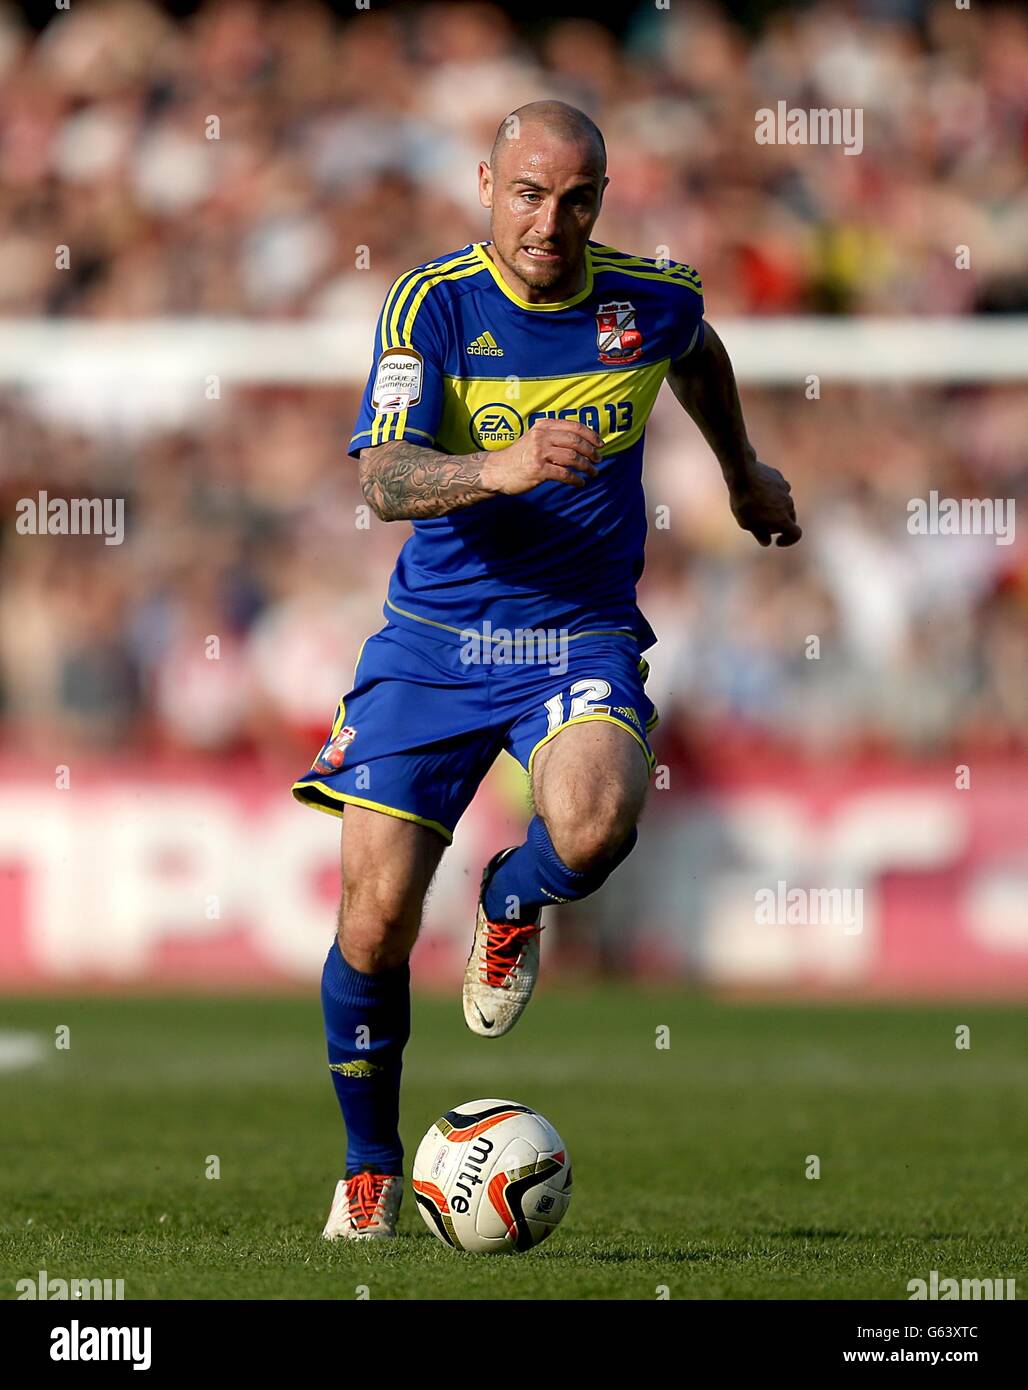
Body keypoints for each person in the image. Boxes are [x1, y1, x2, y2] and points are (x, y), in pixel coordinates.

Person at [292, 100, 801, 1240]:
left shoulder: (649, 299)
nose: (548, 221)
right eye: (527, 193)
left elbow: (698, 355)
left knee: (593, 825)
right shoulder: (431, 302)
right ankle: (369, 1166)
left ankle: (511, 900)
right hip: (433, 639)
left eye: (574, 199)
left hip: (574, 630)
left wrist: (740, 471)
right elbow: (382, 480)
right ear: (485, 183)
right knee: (372, 922)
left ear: (600, 200)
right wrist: (502, 465)